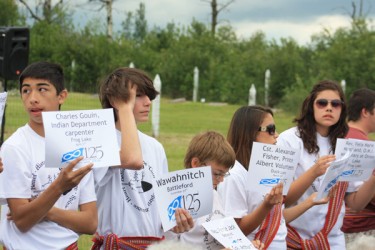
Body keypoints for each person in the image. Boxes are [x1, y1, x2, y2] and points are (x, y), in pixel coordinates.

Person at [91, 67, 193, 250]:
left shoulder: (155, 147)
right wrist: (125, 109)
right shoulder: (98, 142)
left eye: (149, 96)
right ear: (115, 100)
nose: (148, 102)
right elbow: (133, 160)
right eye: (138, 95)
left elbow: (160, 208)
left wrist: (176, 222)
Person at [0, 61, 98, 249]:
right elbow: (22, 221)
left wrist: (47, 210)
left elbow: (90, 222)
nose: (33, 98)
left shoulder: (77, 146)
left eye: (42, 89)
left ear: (62, 96)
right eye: (26, 90)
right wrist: (59, 186)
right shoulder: (15, 147)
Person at [277, 80, 375, 249]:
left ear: (342, 110)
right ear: (311, 106)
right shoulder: (289, 140)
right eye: (322, 103)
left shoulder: (347, 145)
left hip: (332, 239)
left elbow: (355, 203)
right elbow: (280, 199)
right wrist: (314, 172)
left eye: (335, 104)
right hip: (291, 237)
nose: (329, 108)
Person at [218, 105, 329, 249]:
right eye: (270, 129)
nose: (276, 134)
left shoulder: (267, 170)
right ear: (250, 133)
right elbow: (235, 230)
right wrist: (267, 205)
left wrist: (309, 202)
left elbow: (277, 220)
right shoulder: (234, 175)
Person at [165, 131, 264, 250]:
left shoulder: (213, 194)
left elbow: (220, 239)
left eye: (224, 174)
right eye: (217, 174)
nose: (221, 180)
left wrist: (245, 246)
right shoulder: (176, 201)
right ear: (196, 164)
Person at [341, 88, 375, 244]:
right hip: (361, 230)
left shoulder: (339, 135)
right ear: (365, 112)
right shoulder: (363, 146)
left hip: (338, 225)